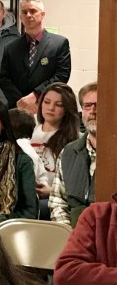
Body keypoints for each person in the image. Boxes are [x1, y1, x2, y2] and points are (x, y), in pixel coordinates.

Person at [0, 0, 71, 113]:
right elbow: (4, 79)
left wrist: (36, 95)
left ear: (42, 15)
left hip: (49, 107)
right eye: (24, 12)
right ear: (20, 17)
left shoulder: (59, 43)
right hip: (18, 110)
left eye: (33, 11)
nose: (28, 15)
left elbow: (61, 75)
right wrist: (23, 102)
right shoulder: (11, 48)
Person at [50, 82, 97, 226]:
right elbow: (58, 202)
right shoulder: (68, 153)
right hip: (74, 237)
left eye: (98, 105)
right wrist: (70, 236)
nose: (93, 111)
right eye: (87, 106)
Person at [29, 82, 80, 218]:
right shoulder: (30, 130)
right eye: (46, 102)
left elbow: (76, 186)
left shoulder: (74, 140)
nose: (50, 108)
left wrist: (51, 191)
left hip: (54, 198)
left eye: (58, 105)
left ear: (67, 109)